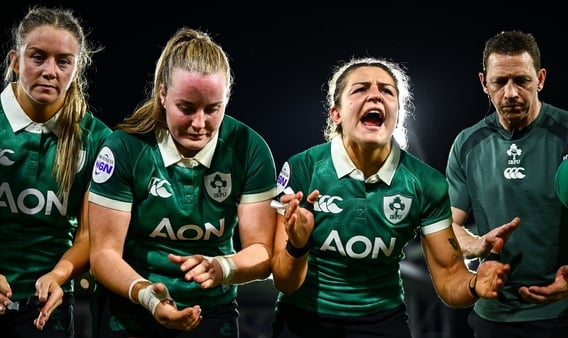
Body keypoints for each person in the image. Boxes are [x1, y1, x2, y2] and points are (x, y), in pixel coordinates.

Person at [269, 56, 513, 338]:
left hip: (381, 321)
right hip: (304, 318)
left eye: (387, 91)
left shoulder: (426, 183)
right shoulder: (303, 168)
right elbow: (285, 283)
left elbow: (449, 279)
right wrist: (298, 245)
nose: (375, 95)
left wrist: (474, 285)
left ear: (397, 113)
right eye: (360, 89)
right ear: (336, 113)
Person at [87, 27, 278, 337]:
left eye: (213, 109)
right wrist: (149, 295)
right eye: (186, 108)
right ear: (163, 94)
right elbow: (103, 255)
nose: (200, 124)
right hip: (131, 303)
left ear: (227, 98)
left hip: (212, 309)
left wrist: (223, 267)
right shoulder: (123, 147)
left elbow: (261, 251)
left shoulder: (249, 148)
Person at [0, 5, 111, 338]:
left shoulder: (99, 140)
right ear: (15, 61)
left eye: (63, 61)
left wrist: (59, 276)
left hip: (47, 305)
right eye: (38, 57)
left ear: (77, 69)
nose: (50, 70)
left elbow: (89, 237)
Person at [446, 30, 568, 338]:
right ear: (484, 83)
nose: (510, 93)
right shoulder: (467, 143)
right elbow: (444, 226)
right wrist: (477, 244)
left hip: (563, 313)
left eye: (522, 81)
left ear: (540, 79)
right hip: (493, 317)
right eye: (500, 82)